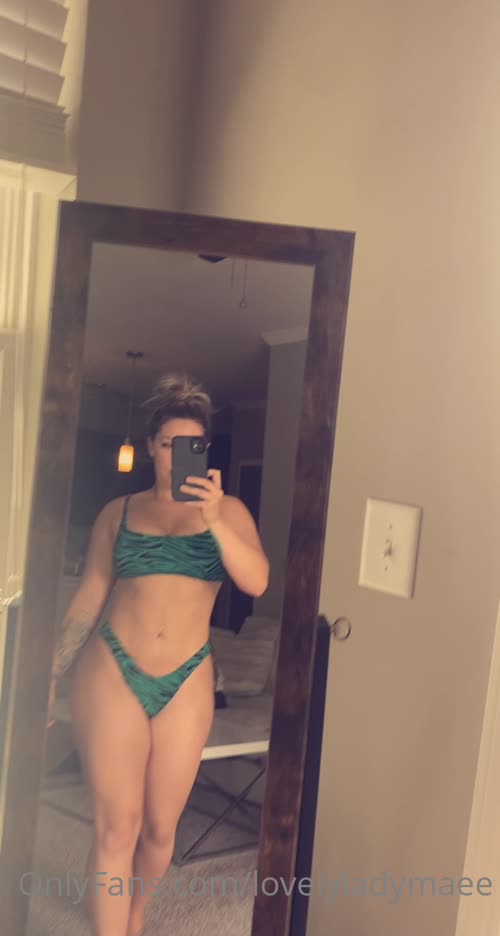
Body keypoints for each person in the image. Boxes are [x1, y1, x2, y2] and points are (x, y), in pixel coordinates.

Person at [48, 372, 269, 936]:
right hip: (112, 669)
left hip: (187, 679)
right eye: (169, 444)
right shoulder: (117, 512)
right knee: (115, 829)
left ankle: (136, 911)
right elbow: (90, 596)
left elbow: (256, 581)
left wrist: (213, 522)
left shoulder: (229, 512)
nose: (178, 456)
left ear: (205, 450)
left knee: (158, 833)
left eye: (191, 445)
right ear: (151, 446)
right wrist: (50, 672)